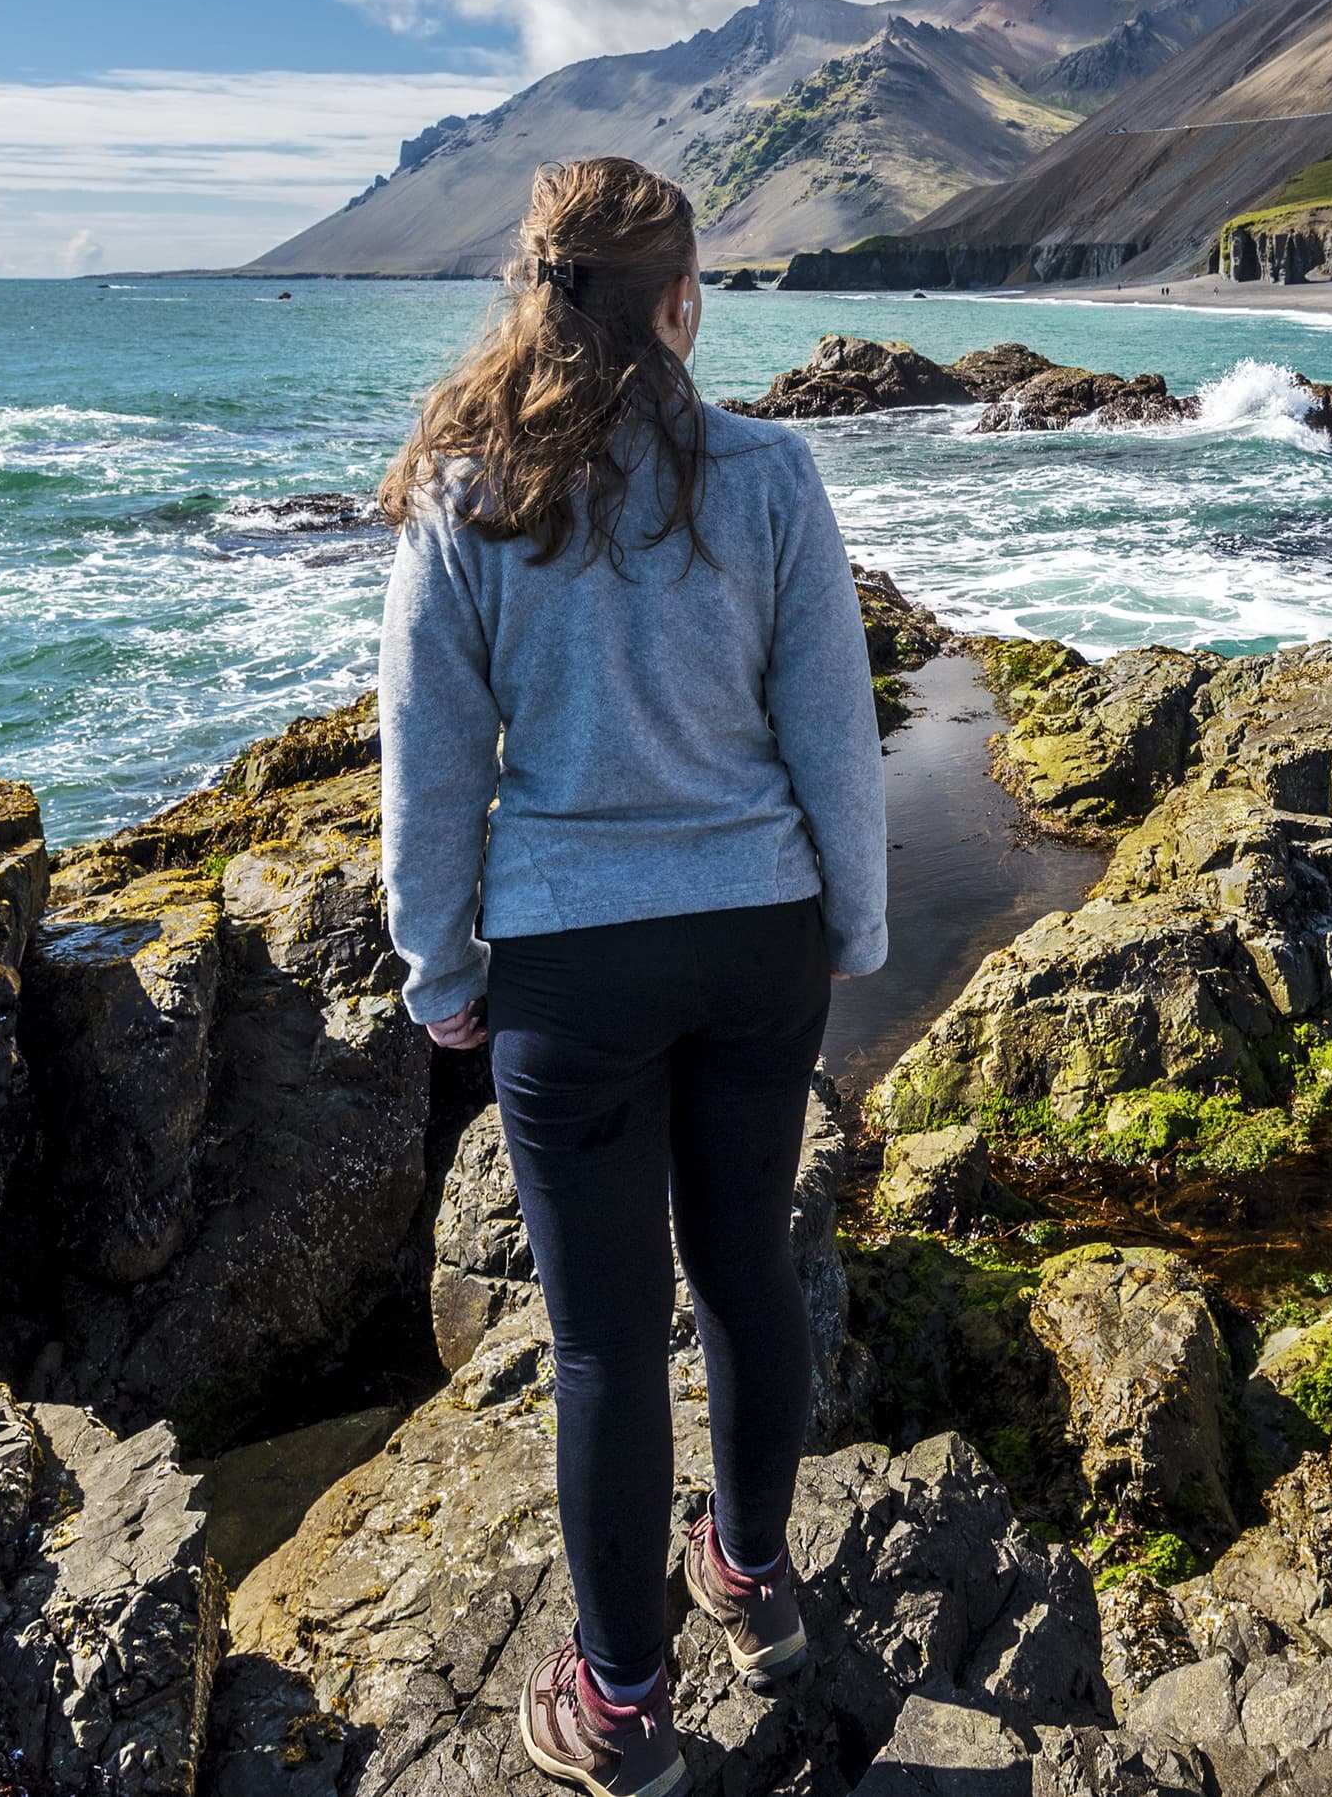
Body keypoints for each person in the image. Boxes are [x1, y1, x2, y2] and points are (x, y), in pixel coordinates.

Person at [377, 156, 888, 1797]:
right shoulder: (771, 474)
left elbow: (431, 760)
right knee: (744, 1274)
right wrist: (855, 928)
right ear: (680, 299)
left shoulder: (468, 489)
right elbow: (834, 734)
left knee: (604, 1339)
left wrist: (436, 963)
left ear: (538, 294)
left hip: (569, 967)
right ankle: (750, 1579)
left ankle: (622, 1709)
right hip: (761, 943)